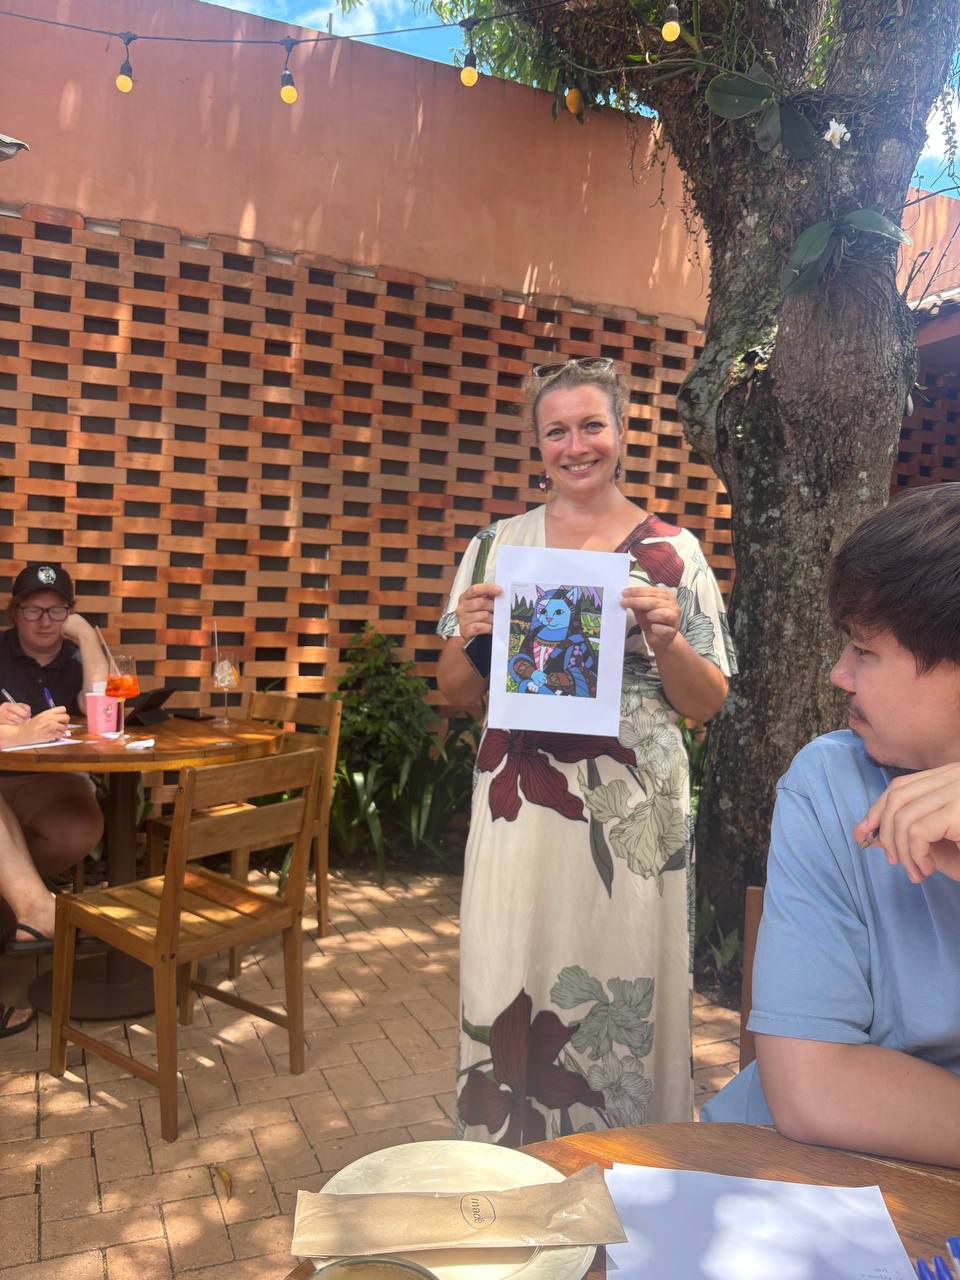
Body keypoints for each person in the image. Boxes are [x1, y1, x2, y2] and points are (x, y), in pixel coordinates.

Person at [437, 357, 737, 1143]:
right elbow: (455, 691)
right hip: (523, 804)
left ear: (622, 431)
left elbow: (707, 702)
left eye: (592, 426)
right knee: (514, 956)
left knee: (622, 970)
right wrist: (473, 635)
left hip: (630, 814)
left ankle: (631, 1161)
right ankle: (515, 1164)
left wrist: (668, 640)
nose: (576, 446)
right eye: (557, 431)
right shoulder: (496, 548)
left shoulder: (674, 551)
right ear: (538, 444)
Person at [701, 483, 960, 1168]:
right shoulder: (832, 783)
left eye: (865, 652)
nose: (839, 675)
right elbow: (814, 1091)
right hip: (790, 1178)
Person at [0, 563, 107, 953]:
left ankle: (19, 902)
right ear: (16, 612)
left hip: (54, 782)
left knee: (78, 828)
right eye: (34, 610)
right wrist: (17, 733)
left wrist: (87, 637)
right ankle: (36, 909)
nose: (45, 621)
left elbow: (101, 708)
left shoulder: (80, 656)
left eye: (57, 611)